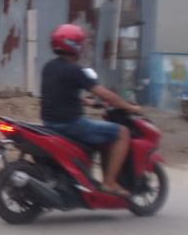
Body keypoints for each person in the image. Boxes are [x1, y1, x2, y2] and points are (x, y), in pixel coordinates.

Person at [41, 24, 142, 198]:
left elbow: (61, 92)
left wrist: (88, 102)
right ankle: (109, 183)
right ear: (74, 46)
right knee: (122, 132)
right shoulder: (75, 70)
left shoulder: (49, 67)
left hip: (50, 122)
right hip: (71, 124)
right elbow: (103, 93)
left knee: (103, 133)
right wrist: (129, 107)